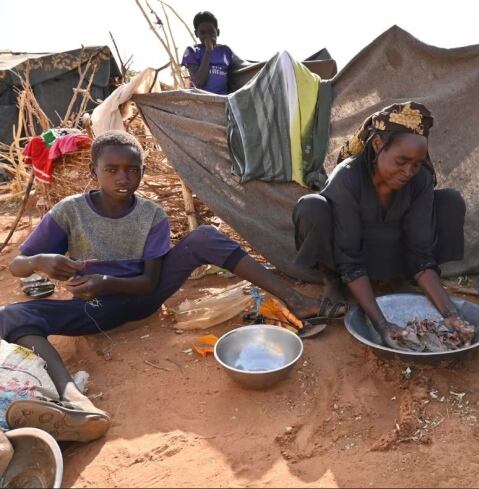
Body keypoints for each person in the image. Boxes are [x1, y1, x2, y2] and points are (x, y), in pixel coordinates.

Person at [1, 131, 344, 442]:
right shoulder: (69, 212)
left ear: (141, 172)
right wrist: (38, 261)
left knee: (204, 238)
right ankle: (73, 397)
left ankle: (295, 300)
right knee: (13, 316)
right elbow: (19, 264)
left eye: (132, 170)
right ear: (94, 172)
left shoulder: (150, 214)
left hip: (140, 295)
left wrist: (105, 281)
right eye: (112, 169)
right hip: (95, 309)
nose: (123, 177)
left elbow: (149, 283)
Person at [293, 102, 469, 349]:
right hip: (349, 258)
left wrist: (451, 314)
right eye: (401, 161)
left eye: (416, 164)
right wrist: (382, 325)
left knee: (450, 201)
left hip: (396, 254)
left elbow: (421, 254)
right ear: (378, 145)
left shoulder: (420, 179)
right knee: (311, 207)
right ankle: (332, 281)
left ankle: (399, 280)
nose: (409, 171)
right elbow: (350, 256)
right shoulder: (348, 176)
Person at [181, 11, 245, 94]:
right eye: (203, 33)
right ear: (196, 34)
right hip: (201, 102)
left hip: (222, 102)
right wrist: (208, 51)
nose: (207, 36)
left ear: (217, 32)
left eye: (211, 32)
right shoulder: (192, 51)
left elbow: (243, 66)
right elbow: (198, 82)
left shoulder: (225, 51)